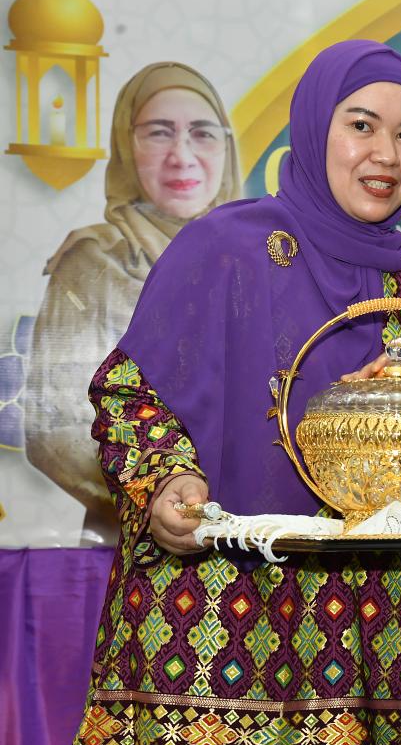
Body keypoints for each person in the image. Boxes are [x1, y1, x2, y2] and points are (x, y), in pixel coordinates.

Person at [70, 41, 401, 745]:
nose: (387, 154)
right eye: (362, 125)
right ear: (312, 131)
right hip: (203, 630)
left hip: (350, 649)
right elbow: (127, 392)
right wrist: (166, 481)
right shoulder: (224, 247)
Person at [25, 62, 240, 544]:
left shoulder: (261, 256)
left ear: (227, 147)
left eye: (203, 133)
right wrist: (157, 496)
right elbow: (54, 431)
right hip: (130, 543)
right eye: (159, 133)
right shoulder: (94, 261)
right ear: (126, 147)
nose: (182, 156)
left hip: (253, 544)